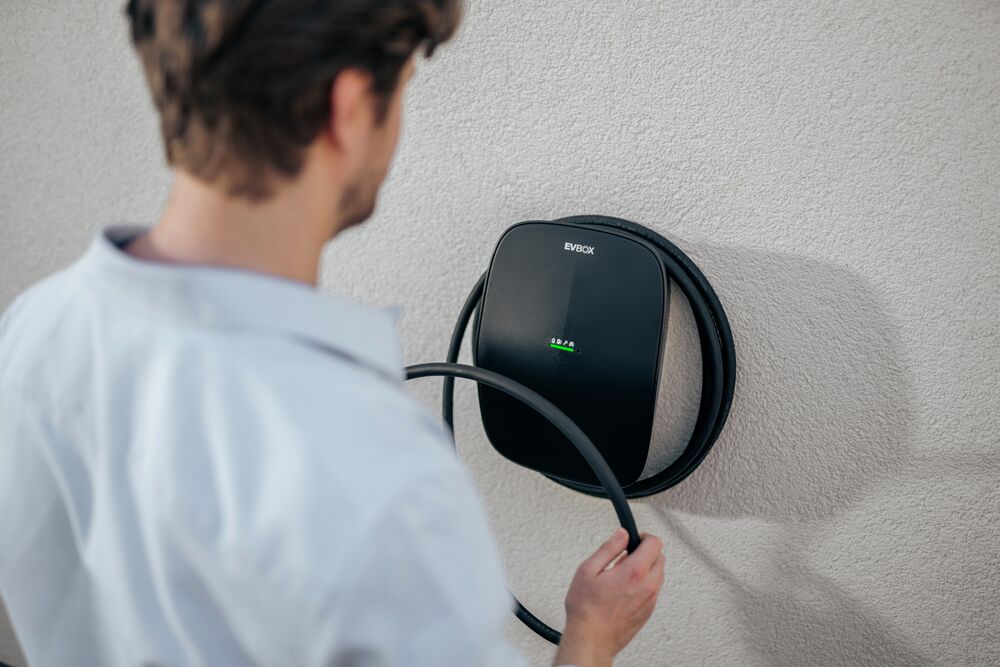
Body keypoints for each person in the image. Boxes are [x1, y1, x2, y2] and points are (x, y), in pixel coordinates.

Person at [0, 1, 665, 665]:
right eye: (402, 91)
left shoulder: (34, 331)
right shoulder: (380, 480)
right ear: (346, 108)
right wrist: (591, 638)